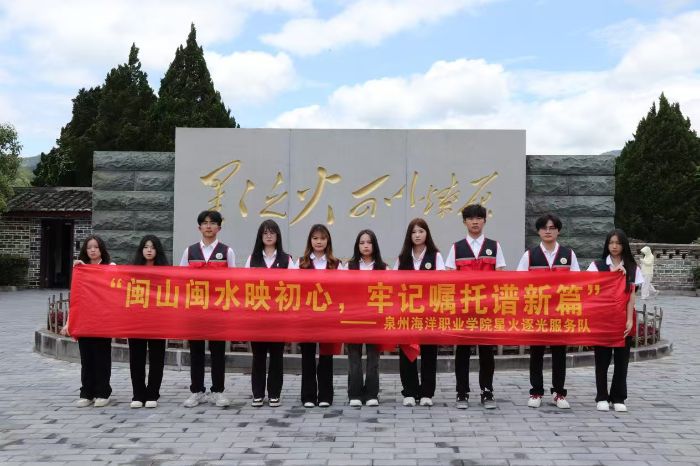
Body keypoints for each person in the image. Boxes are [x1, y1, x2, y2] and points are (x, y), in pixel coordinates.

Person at [445, 204, 506, 410]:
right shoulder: (457, 248)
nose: (475, 222)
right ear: (464, 222)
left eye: (479, 218)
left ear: (484, 221)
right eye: (471, 218)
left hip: (487, 309)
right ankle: (461, 392)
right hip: (464, 309)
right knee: (462, 352)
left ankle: (487, 392)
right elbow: (449, 279)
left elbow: (501, 276)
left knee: (486, 351)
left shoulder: (494, 246)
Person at [516, 213, 580, 409]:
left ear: (558, 231)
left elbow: (578, 283)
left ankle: (559, 393)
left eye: (552, 228)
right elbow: (519, 283)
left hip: (560, 312)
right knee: (536, 353)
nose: (548, 231)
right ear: (538, 231)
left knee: (559, 353)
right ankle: (536, 392)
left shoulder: (568, 255)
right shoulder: (530, 255)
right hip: (537, 312)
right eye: (544, 228)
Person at [179, 210, 236, 408]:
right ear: (199, 227)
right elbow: (182, 280)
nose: (208, 226)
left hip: (218, 310)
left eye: (212, 223)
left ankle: (218, 391)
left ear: (219, 227)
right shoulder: (190, 251)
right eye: (205, 223)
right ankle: (197, 391)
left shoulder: (227, 251)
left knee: (217, 351)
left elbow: (233, 281)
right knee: (196, 351)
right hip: (195, 309)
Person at [587, 229, 643, 412]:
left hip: (623, 320)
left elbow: (631, 296)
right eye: (611, 242)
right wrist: (612, 274)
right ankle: (602, 396)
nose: (614, 246)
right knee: (601, 361)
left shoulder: (633, 268)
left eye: (618, 243)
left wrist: (629, 320)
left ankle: (618, 397)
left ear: (624, 245)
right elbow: (588, 290)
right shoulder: (597, 266)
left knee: (621, 361)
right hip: (603, 320)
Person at [244, 220, 297, 408]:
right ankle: (257, 394)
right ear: (260, 236)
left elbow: (294, 285)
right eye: (265, 233)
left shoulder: (286, 259)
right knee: (258, 356)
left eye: (272, 233)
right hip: (257, 316)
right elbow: (245, 285)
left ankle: (274, 393)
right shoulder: (252, 259)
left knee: (276, 356)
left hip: (278, 317)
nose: (268, 236)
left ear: (277, 236)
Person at [393, 218, 445, 407]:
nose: (417, 235)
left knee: (429, 353)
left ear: (427, 234)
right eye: (414, 232)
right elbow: (393, 284)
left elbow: (443, 283)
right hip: (407, 313)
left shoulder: (435, 256)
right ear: (409, 235)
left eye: (421, 231)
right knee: (407, 353)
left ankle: (426, 393)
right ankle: (409, 392)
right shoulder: (402, 258)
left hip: (429, 312)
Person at [66, 235, 116, 408]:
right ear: (85, 250)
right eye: (89, 247)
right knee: (86, 358)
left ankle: (103, 392)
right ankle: (86, 392)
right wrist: (69, 322)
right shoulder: (81, 269)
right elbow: (75, 297)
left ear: (101, 249)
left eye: (96, 247)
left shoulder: (110, 267)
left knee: (102, 358)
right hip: (85, 321)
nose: (92, 250)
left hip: (102, 320)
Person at [298, 224, 343, 408]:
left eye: (323, 238)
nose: (319, 242)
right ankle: (308, 395)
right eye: (315, 238)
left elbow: (342, 289)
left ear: (328, 241)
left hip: (328, 317)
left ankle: (325, 395)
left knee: (326, 357)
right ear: (310, 240)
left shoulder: (336, 264)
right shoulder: (300, 263)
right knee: (307, 357)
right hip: (307, 317)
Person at [345, 229, 389, 408]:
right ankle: (354, 393)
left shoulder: (383, 267)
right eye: (362, 242)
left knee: (373, 357)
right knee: (354, 357)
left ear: (374, 245)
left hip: (375, 319)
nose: (365, 246)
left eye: (369, 242)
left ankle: (372, 393)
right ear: (357, 246)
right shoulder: (349, 266)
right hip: (353, 318)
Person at [128, 235, 168, 409]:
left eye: (152, 247)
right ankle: (138, 394)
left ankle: (152, 394)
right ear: (141, 250)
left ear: (157, 250)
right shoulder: (133, 270)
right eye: (146, 247)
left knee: (156, 358)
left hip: (158, 320)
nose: (149, 250)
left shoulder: (165, 271)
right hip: (136, 320)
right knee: (136, 358)